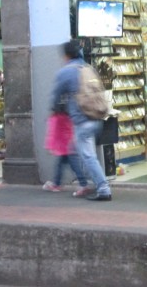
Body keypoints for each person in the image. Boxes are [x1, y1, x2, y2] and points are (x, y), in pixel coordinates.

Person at [50, 40, 112, 201]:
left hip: (82, 120)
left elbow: (55, 97)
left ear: (66, 55)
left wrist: (56, 110)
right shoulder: (87, 68)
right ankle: (87, 184)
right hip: (96, 117)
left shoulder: (65, 72)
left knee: (87, 156)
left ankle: (103, 188)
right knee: (82, 153)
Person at [42, 112, 91, 197]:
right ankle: (57, 183)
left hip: (64, 145)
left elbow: (52, 133)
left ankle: (83, 184)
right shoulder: (69, 114)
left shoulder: (56, 117)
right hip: (70, 142)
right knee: (63, 164)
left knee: (72, 165)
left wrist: (49, 146)